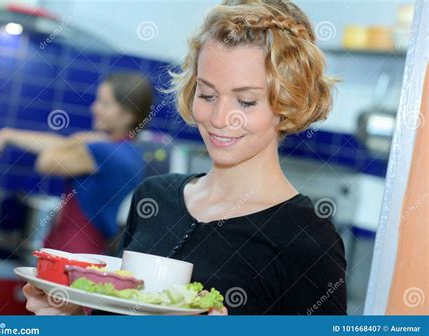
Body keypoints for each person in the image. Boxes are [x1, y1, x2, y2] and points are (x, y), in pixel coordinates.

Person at [23, 0, 347, 315]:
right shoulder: (154, 197)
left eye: (246, 101)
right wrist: (70, 318)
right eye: (207, 95)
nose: (220, 118)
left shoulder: (308, 239)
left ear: (288, 103)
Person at [0, 72, 154, 254]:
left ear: (127, 116)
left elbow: (45, 162)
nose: (94, 108)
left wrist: (81, 138)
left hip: (72, 249)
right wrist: (7, 135)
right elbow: (60, 145)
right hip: (90, 250)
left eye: (105, 103)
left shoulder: (105, 151)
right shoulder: (130, 151)